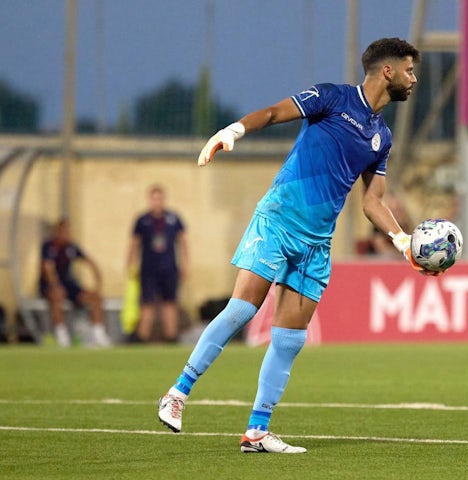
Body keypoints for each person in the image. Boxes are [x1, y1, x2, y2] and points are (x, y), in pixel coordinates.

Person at [158, 37, 435, 454]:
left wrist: (401, 240)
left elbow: (372, 201)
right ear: (388, 71)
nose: (414, 79)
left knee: (289, 339)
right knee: (241, 309)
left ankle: (256, 431)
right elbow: (273, 113)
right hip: (279, 220)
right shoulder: (332, 98)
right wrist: (233, 130)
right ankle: (177, 393)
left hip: (316, 243)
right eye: (410, 71)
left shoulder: (382, 136)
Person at [126, 184, 189, 343]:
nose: (157, 202)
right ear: (149, 200)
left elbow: (183, 242)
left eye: (159, 198)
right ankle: (142, 337)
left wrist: (185, 264)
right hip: (148, 269)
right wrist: (130, 264)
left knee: (170, 302)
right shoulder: (142, 220)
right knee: (147, 303)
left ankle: (171, 337)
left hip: (169, 268)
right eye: (154, 199)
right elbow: (134, 243)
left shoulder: (173, 219)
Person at [39, 218, 111, 347]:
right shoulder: (48, 246)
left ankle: (98, 334)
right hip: (50, 285)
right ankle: (62, 335)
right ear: (57, 232)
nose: (67, 234)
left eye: (68, 231)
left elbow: (90, 262)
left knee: (95, 298)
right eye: (64, 232)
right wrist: (55, 285)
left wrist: (98, 283)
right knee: (57, 296)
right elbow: (47, 268)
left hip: (69, 285)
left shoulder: (71, 247)